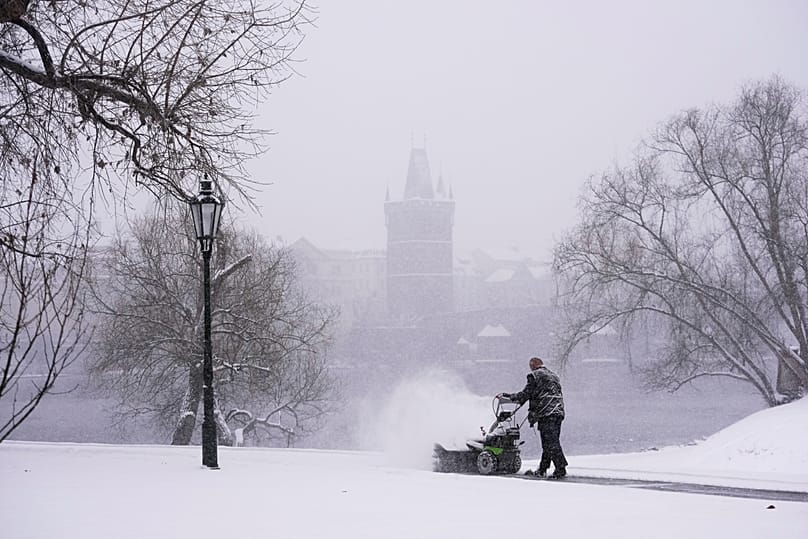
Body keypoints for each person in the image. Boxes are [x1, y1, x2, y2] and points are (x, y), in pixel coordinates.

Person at [503, 356, 568, 478]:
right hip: (558, 412)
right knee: (550, 442)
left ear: (533, 365)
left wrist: (512, 397)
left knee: (550, 443)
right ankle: (543, 469)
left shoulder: (535, 376)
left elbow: (527, 394)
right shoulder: (553, 376)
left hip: (547, 413)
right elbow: (542, 394)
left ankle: (560, 468)